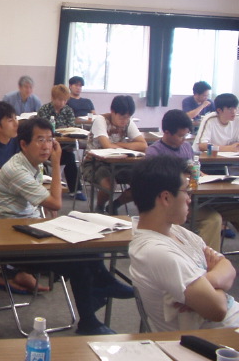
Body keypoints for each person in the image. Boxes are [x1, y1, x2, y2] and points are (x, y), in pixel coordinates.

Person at [0, 117, 134, 335]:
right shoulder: (17, 169)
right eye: (40, 140)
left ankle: (101, 289)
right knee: (78, 262)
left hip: (28, 229)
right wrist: (56, 164)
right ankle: (93, 311)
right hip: (8, 240)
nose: (47, 146)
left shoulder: (30, 163)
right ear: (24, 144)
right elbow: (56, 202)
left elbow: (47, 203)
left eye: (49, 139)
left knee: (88, 242)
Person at [129, 155, 239, 332]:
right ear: (166, 198)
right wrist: (215, 279)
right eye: (186, 191)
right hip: (221, 338)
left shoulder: (178, 231)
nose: (189, 198)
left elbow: (228, 266)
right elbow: (218, 309)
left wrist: (207, 280)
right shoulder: (156, 252)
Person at [145, 109, 222, 250]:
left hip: (193, 197)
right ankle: (201, 259)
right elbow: (155, 183)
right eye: (180, 136)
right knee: (212, 220)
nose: (184, 139)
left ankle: (205, 258)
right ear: (167, 132)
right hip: (170, 203)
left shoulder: (186, 147)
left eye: (186, 135)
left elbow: (193, 169)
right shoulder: (154, 152)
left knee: (222, 214)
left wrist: (203, 176)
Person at [83, 95, 147, 212]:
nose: (125, 121)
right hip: (95, 163)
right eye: (122, 117)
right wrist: (128, 145)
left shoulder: (128, 122)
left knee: (143, 183)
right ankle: (100, 206)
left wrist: (118, 145)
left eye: (128, 117)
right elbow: (107, 146)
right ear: (113, 111)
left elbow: (143, 145)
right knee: (109, 185)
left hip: (120, 162)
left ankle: (115, 205)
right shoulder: (101, 120)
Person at [37, 84, 86, 201]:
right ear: (53, 98)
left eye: (65, 100)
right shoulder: (44, 110)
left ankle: (75, 190)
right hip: (46, 147)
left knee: (70, 157)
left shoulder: (68, 110)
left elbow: (71, 127)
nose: (62, 103)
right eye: (59, 100)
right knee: (60, 157)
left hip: (64, 146)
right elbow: (41, 128)